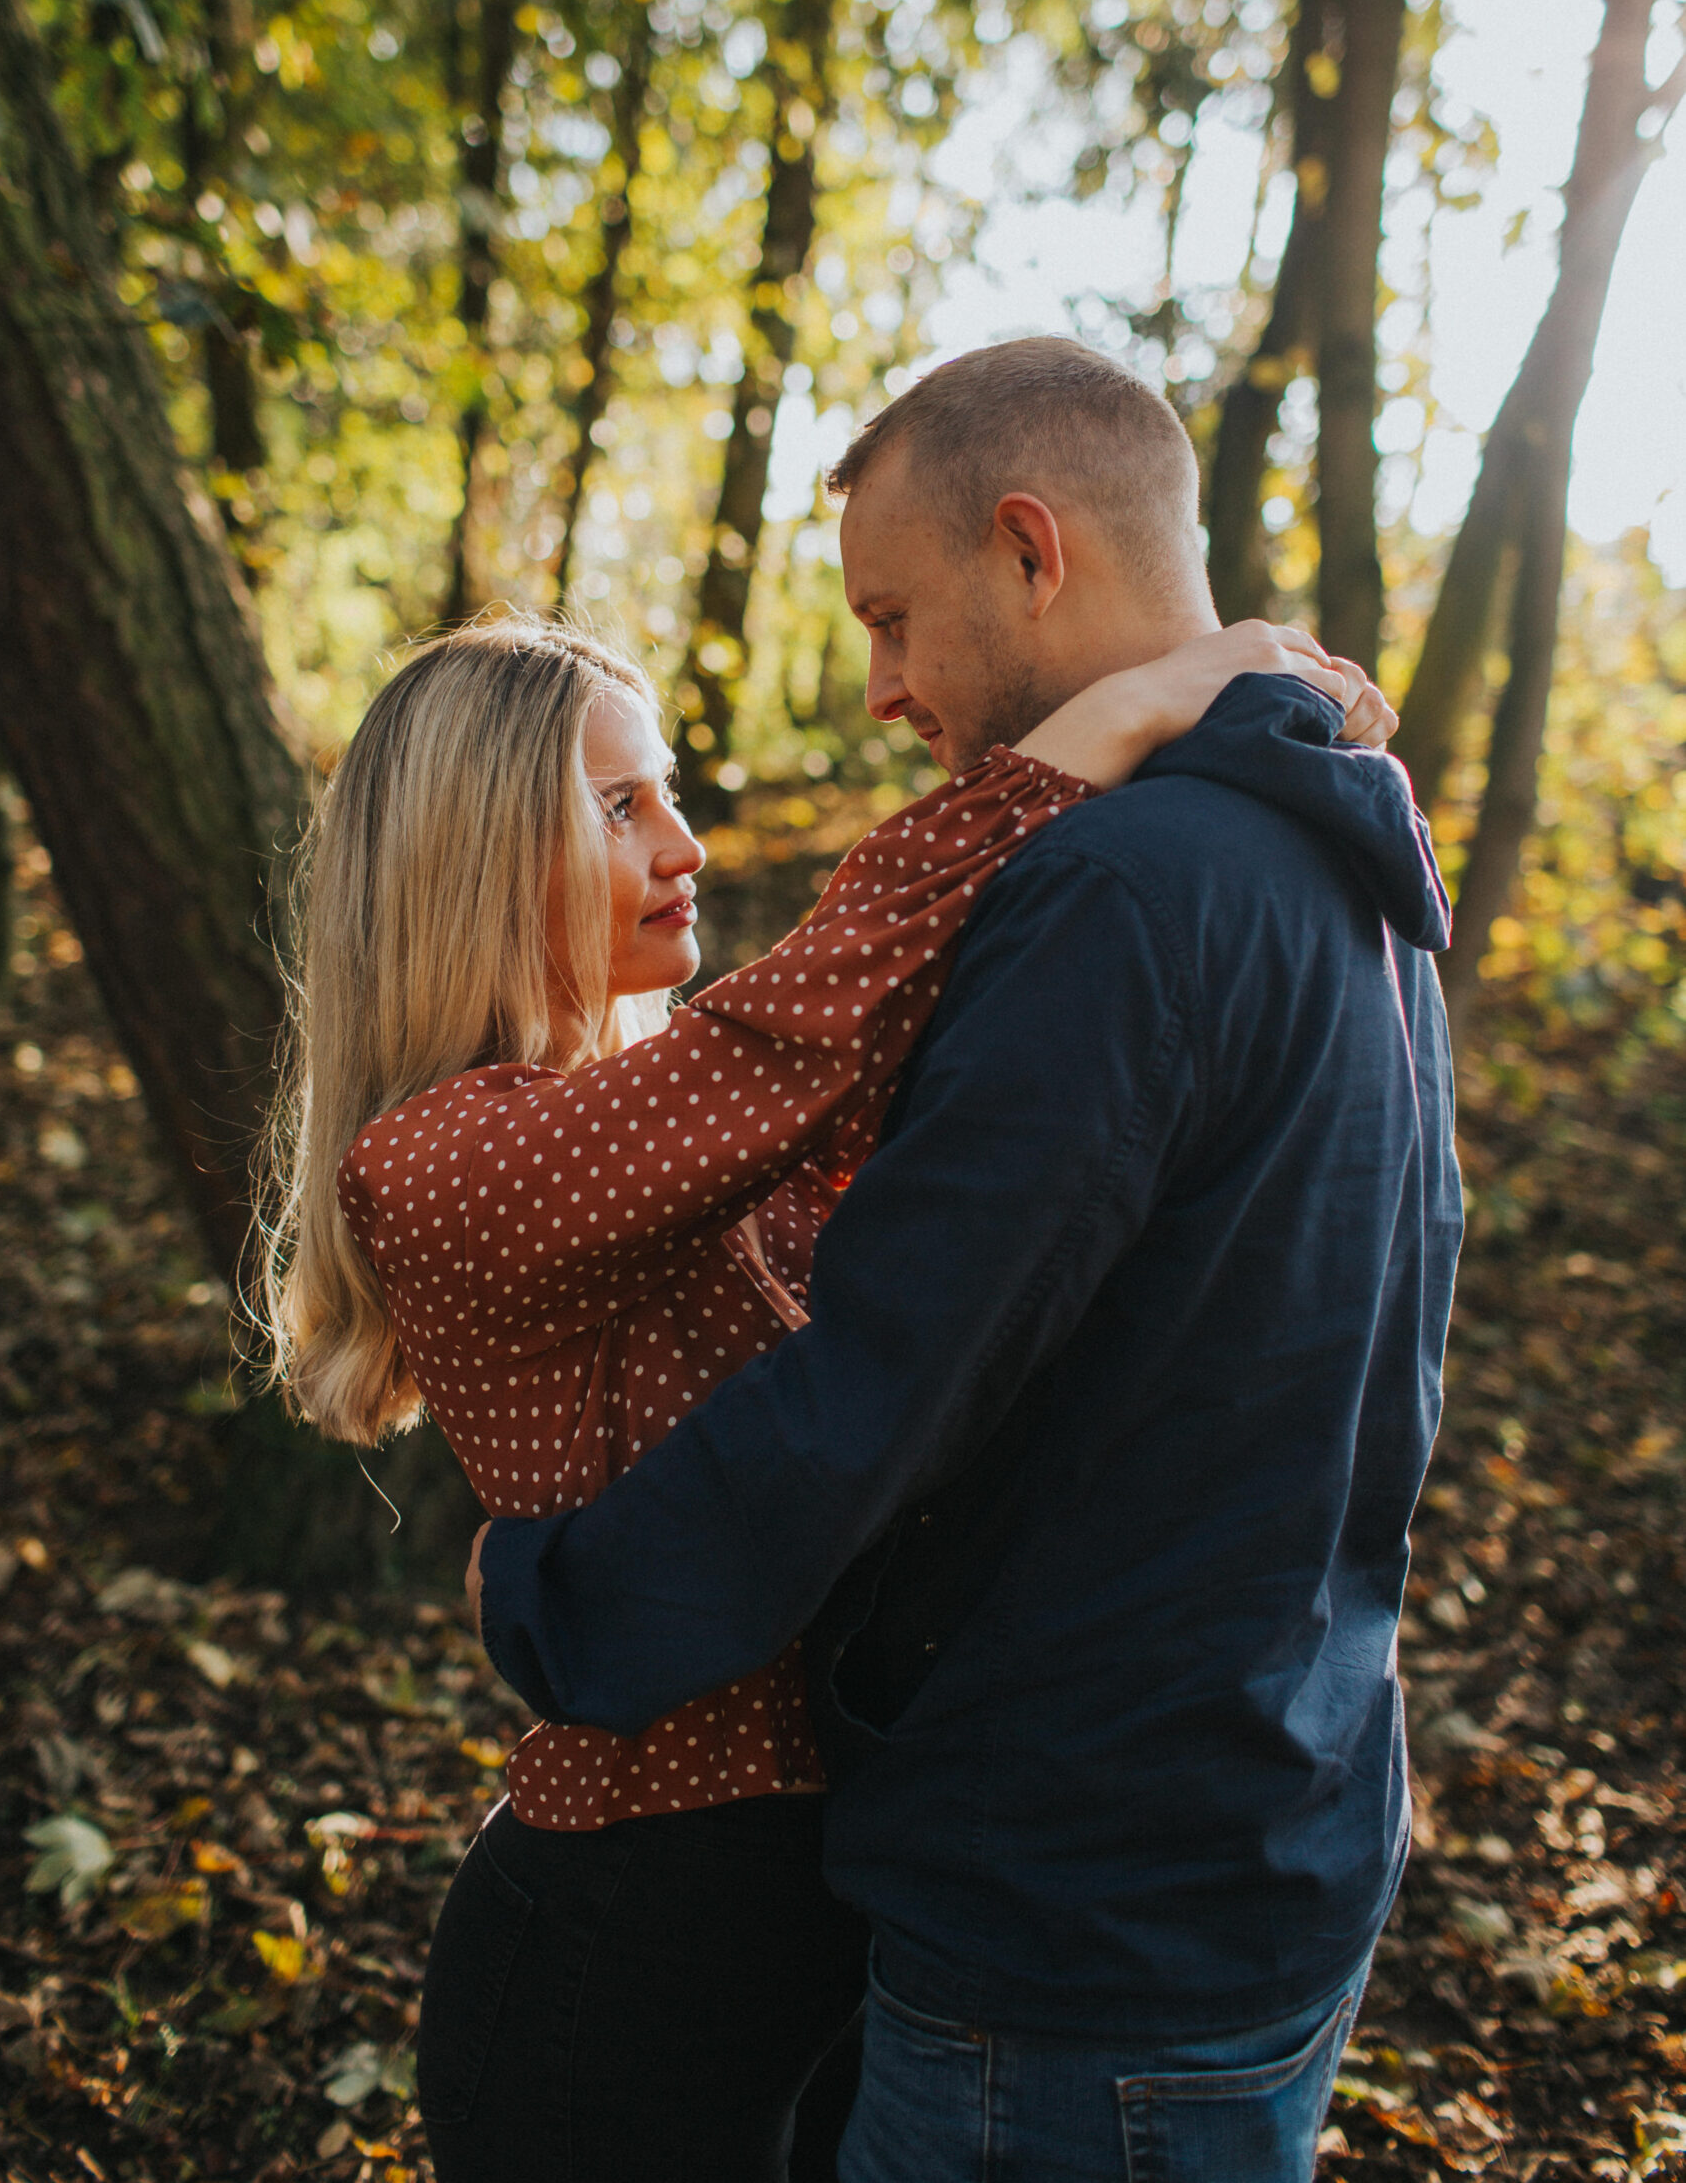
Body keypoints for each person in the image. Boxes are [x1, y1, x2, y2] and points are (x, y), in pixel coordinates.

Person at [471, 336, 1463, 2183]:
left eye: (896, 619)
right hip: (1283, 1815)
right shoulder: (1350, 863)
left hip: (1078, 1915)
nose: (881, 687)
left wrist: (557, 1601)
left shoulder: (1118, 893)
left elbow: (880, 1387)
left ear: (1031, 547)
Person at [260, 578, 1387, 2182]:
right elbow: (811, 1019)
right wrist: (1123, 715)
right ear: (476, 852)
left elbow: (916, 1129)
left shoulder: (654, 1129)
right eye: (622, 803)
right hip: (620, 1949)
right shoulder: (443, 1159)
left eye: (676, 794)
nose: (688, 843)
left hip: (827, 1919)